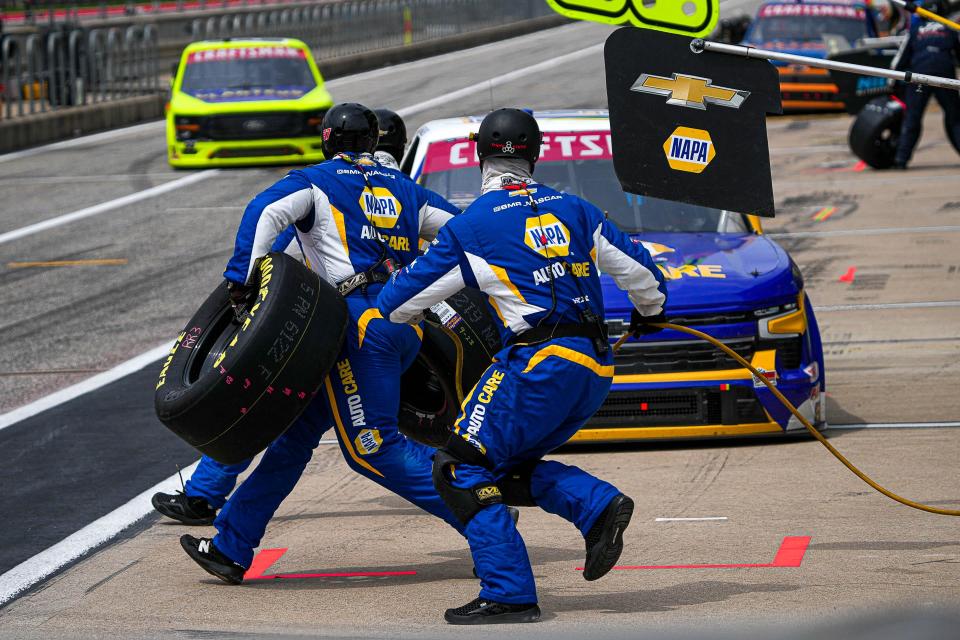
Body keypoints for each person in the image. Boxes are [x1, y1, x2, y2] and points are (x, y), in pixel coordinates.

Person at [377, 108, 669, 624]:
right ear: (535, 154)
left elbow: (398, 306)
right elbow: (646, 276)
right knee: (499, 467)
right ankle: (595, 505)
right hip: (594, 369)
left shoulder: (472, 225)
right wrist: (652, 315)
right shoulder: (577, 209)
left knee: (457, 466)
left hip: (538, 365)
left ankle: (509, 592)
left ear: (478, 157)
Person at [178, 102, 466, 584]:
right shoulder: (405, 188)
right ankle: (231, 546)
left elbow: (263, 212)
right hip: (403, 327)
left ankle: (479, 510)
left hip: (357, 332)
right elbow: (462, 232)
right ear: (374, 143)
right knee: (292, 439)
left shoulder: (316, 181)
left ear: (328, 140)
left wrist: (241, 282)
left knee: (371, 447)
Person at [152, 226, 303, 527]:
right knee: (275, 422)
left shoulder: (316, 196)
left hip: (321, 329)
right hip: (353, 321)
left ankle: (208, 500)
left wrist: (240, 284)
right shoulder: (386, 199)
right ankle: (207, 498)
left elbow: (263, 257)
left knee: (264, 416)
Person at [893, 0, 960, 169]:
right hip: (943, 75)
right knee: (955, 117)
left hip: (920, 76)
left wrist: (894, 83)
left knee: (913, 117)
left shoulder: (915, 30)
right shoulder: (949, 27)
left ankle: (901, 159)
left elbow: (902, 59)